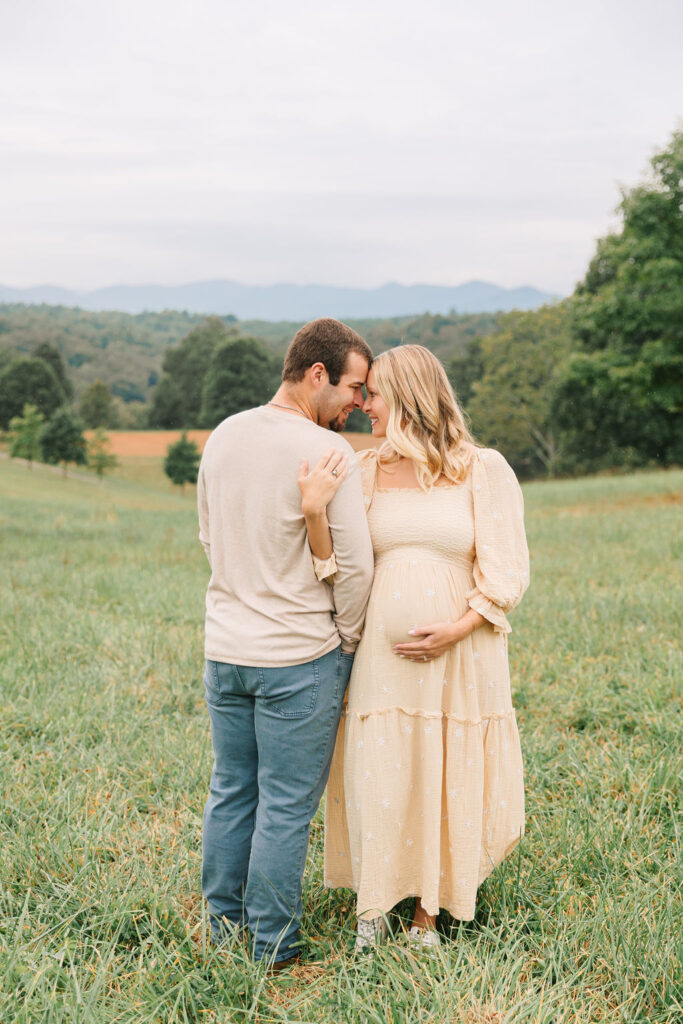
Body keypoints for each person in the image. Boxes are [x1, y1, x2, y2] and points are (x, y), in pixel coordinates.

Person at [298, 345, 530, 951]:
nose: (362, 405)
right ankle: (373, 902)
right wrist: (315, 514)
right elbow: (338, 567)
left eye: (372, 394)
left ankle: (429, 909)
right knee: (380, 763)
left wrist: (456, 627)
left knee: (443, 767)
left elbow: (507, 572)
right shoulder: (364, 471)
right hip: (382, 655)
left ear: (405, 397)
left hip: (461, 655)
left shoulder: (482, 469)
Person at [197, 318, 374, 968]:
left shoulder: (222, 437)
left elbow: (210, 540)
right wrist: (347, 643)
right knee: (284, 806)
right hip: (299, 655)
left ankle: (221, 932)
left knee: (231, 787)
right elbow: (354, 569)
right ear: (317, 374)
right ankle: (272, 945)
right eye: (353, 387)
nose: (356, 404)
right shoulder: (329, 454)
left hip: (226, 649)